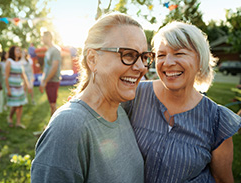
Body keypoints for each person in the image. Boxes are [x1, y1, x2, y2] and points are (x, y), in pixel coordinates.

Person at [31, 13, 153, 182]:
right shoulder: (68, 128)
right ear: (93, 59)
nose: (141, 67)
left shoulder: (122, 110)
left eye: (144, 57)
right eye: (128, 55)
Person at [122, 21, 241, 183]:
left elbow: (222, 179)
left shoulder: (217, 119)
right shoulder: (135, 95)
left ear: (200, 60)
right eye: (161, 55)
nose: (168, 62)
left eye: (179, 53)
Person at [5, 46, 31, 129]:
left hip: (20, 87)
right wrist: (8, 89)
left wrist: (27, 85)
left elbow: (23, 75)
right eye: (17, 50)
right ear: (13, 51)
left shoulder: (20, 63)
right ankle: (9, 117)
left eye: (20, 50)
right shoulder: (9, 61)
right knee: (15, 105)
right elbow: (6, 76)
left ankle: (18, 122)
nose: (19, 51)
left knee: (20, 105)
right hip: (12, 88)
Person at [39, 31, 62, 116]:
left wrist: (45, 81)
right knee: (51, 105)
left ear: (48, 37)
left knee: (53, 105)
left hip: (53, 80)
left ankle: (55, 127)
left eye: (43, 37)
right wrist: (43, 81)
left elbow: (54, 67)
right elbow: (46, 68)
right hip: (48, 80)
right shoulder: (48, 51)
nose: (42, 39)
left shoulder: (55, 50)